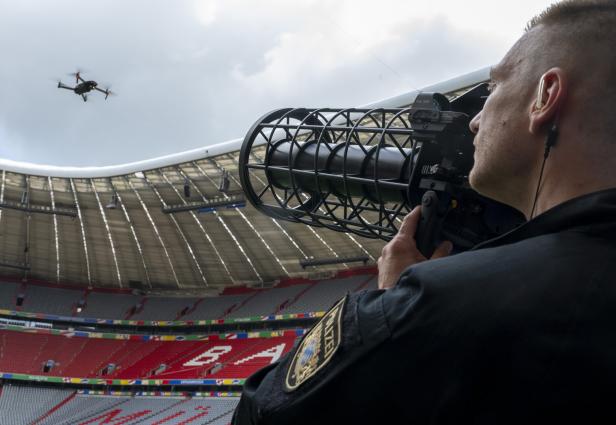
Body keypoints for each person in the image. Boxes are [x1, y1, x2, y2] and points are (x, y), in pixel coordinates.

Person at [233, 1, 616, 423]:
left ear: (545, 96)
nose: (474, 121)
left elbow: (260, 413)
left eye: (493, 89)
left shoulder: (442, 305)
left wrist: (391, 304)